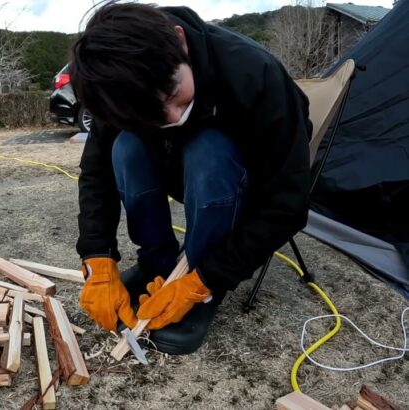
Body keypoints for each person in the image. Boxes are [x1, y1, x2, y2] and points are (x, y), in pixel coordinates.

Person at [72, 2, 312, 354]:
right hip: (174, 167)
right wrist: (97, 258)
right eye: (152, 115)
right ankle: (157, 264)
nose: (173, 117)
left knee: (208, 147)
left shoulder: (254, 73)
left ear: (180, 42)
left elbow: (287, 203)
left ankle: (195, 278)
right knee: (126, 146)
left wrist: (210, 276)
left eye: (173, 94)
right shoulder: (120, 89)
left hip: (240, 178)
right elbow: (97, 172)